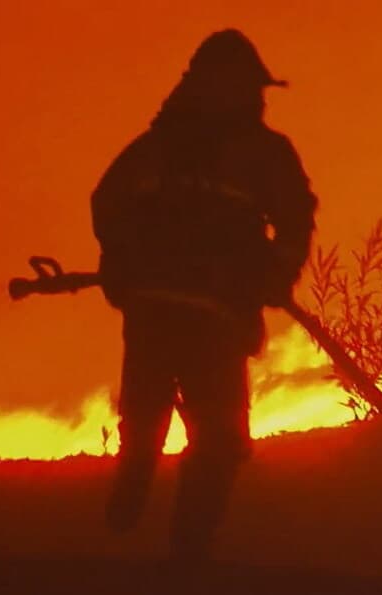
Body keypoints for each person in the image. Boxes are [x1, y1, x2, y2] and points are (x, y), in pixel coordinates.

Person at [90, 29, 317, 563]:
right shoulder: (262, 152)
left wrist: (120, 261)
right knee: (217, 436)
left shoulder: (155, 148)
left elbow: (107, 202)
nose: (256, 99)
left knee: (147, 418)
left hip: (155, 310)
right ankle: (187, 551)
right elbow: (295, 219)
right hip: (213, 314)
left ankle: (132, 500)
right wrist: (275, 275)